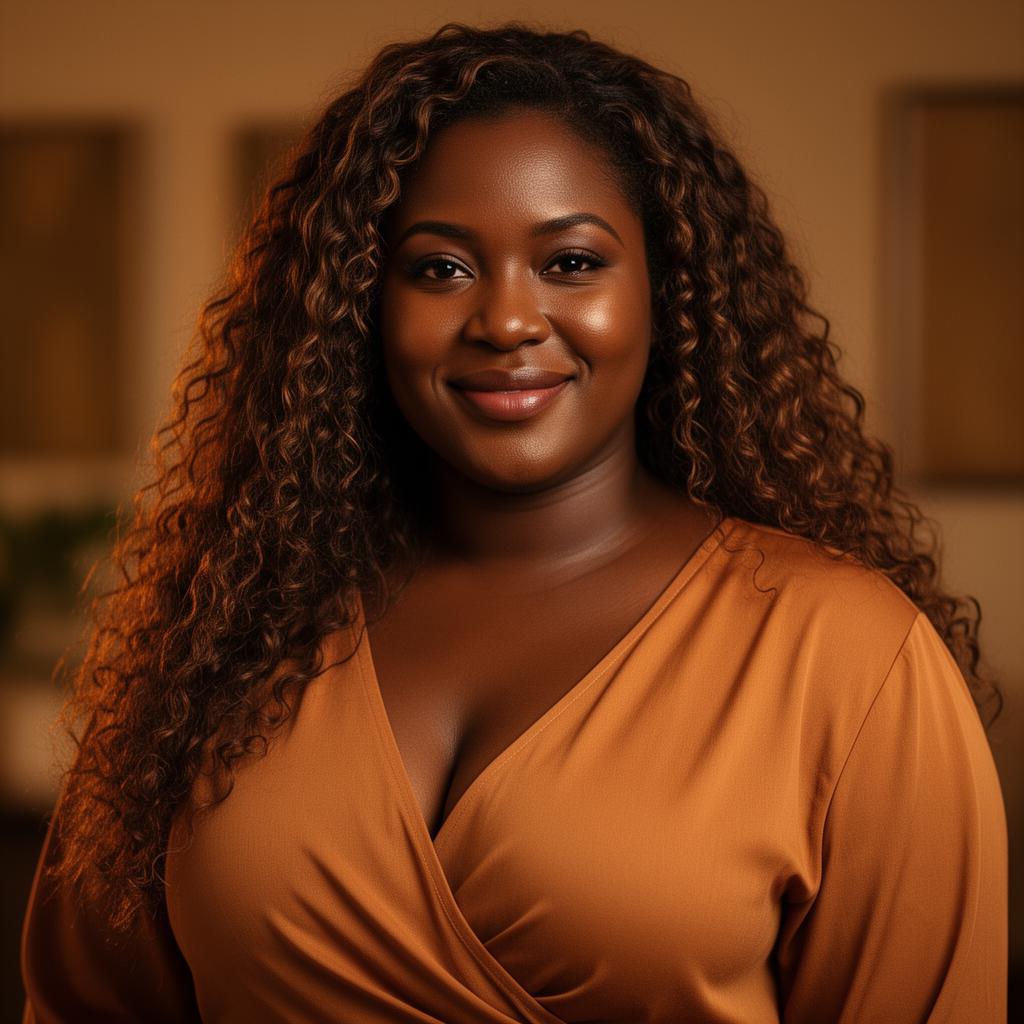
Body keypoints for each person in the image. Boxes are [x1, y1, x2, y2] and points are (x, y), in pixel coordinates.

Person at [21, 21, 1007, 1024]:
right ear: (361, 302)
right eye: (440, 268)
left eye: (571, 262)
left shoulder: (849, 655)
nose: (504, 319)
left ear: (662, 291)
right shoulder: (219, 635)